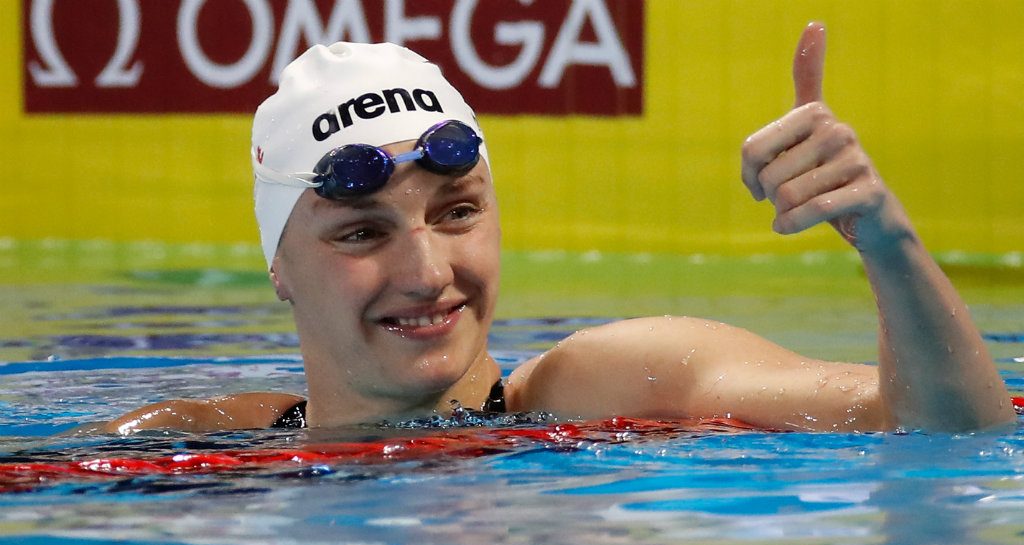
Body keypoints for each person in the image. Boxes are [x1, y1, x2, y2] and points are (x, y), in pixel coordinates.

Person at [102, 23, 1014, 435]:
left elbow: (949, 433)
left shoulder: (622, 383)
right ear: (277, 263)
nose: (427, 272)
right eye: (361, 234)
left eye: (458, 212)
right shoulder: (197, 448)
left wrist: (888, 245)